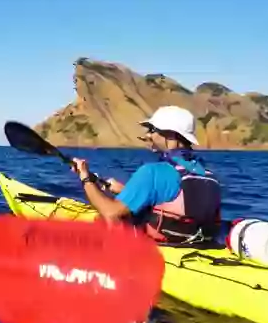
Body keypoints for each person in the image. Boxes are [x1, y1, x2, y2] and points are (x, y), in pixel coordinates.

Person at [68, 105, 222, 246]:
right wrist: (127, 191)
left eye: (152, 130)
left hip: (159, 250)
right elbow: (177, 199)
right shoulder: (209, 176)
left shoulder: (152, 171)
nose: (148, 135)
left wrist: (85, 178)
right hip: (196, 246)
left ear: (171, 135)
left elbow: (111, 212)